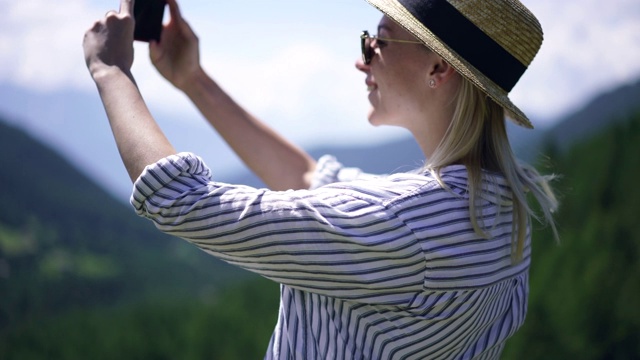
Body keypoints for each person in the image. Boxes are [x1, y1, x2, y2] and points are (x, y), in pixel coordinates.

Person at [83, 0, 559, 358]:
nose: (363, 59)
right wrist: (193, 79)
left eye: (379, 41)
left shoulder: (405, 221)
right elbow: (308, 178)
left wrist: (111, 72)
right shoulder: (504, 209)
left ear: (438, 67)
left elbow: (181, 200)